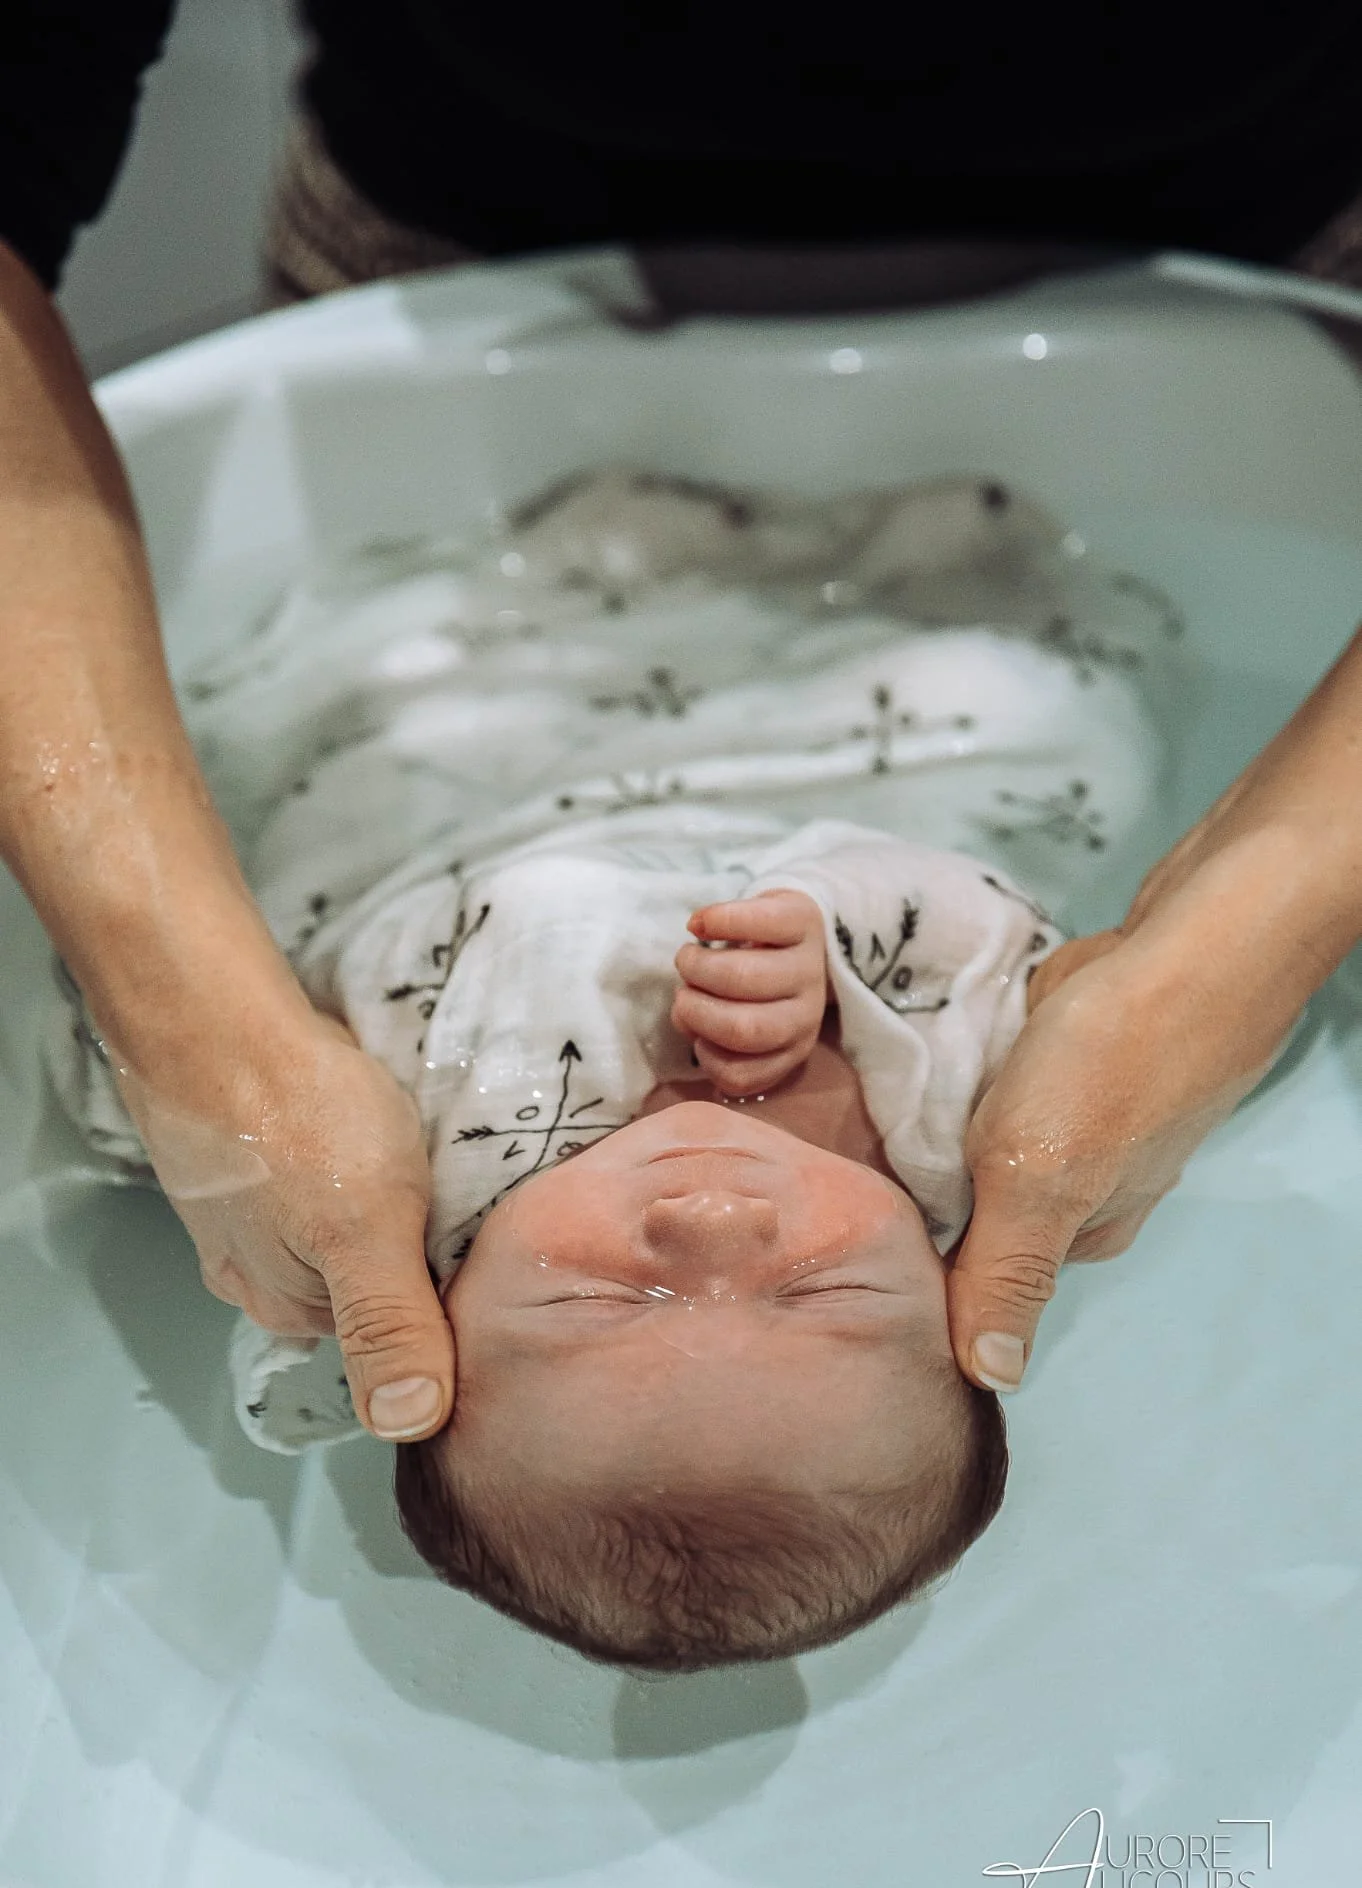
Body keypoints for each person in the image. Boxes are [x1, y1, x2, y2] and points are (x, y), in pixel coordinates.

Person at [1, 3, 1360, 1449]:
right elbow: (1008, 961)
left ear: (412, 1334)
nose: (714, 1232)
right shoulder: (974, 1135)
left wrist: (203, 1034)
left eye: (597, 1309)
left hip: (461, 618)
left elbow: (120, 1067)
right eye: (827, 1295)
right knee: (1034, 705)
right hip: (1034, 493)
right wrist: (921, 971)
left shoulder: (361, 1159)